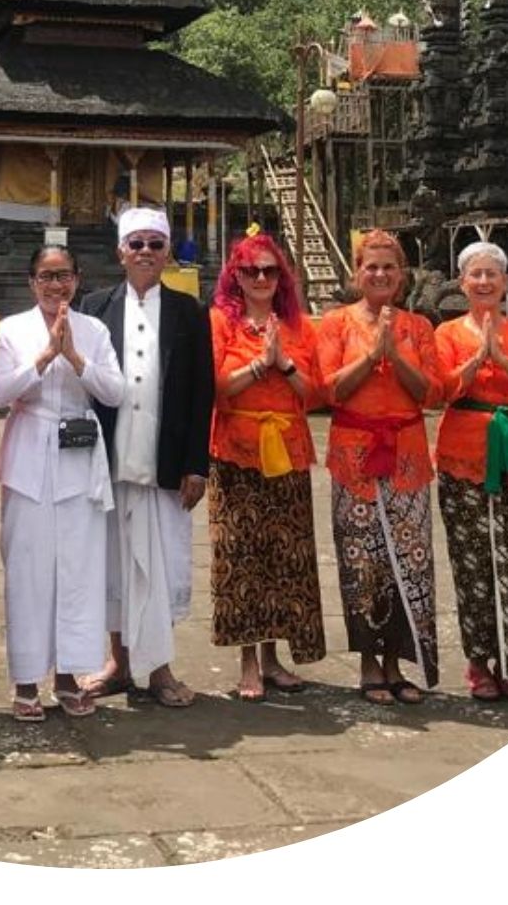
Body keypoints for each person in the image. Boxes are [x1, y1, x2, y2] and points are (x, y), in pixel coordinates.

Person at [77, 207, 214, 708]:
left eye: (155, 244)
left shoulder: (188, 312)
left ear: (167, 252)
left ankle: (159, 669)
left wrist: (197, 464)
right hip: (108, 459)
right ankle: (118, 664)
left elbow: (203, 394)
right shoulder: (95, 307)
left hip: (166, 460)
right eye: (135, 244)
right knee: (111, 566)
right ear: (119, 251)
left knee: (158, 566)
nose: (145, 253)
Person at [0, 246, 125, 720]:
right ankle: (26, 681)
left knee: (79, 570)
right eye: (46, 276)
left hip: (80, 450)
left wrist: (76, 357)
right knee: (28, 568)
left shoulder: (95, 330)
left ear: (78, 277)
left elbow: (115, 391)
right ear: (32, 282)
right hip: (29, 445)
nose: (55, 285)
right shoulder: (11, 329)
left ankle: (69, 676)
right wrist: (47, 356)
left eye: (64, 275)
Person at [317, 229, 441, 705]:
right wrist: (373, 356)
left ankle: (396, 663)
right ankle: (369, 664)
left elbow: (430, 392)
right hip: (356, 454)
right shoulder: (335, 324)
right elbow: (330, 390)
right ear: (356, 273)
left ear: (403, 275)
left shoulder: (419, 328)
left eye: (389, 266)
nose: (380, 274)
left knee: (407, 559)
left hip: (406, 452)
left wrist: (395, 355)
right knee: (362, 560)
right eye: (371, 266)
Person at [208, 230, 325, 701]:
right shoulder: (220, 322)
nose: (260, 277)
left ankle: (275, 657)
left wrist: (286, 365)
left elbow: (317, 395)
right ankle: (248, 661)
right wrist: (260, 365)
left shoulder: (299, 327)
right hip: (236, 450)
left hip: (288, 451)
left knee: (283, 557)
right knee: (241, 557)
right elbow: (215, 387)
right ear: (235, 276)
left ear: (282, 277)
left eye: (269, 270)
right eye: (250, 270)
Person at [432, 242, 508, 702]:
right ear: (462, 283)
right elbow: (438, 387)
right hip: (463, 449)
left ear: (505, 283)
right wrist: (476, 359)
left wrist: (501, 358)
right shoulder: (446, 333)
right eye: (475, 275)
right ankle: (479, 661)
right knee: (472, 560)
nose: (484, 283)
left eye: (492, 275)